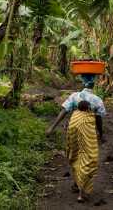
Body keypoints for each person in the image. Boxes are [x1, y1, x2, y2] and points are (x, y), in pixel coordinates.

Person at [45, 74, 106, 202]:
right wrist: (101, 134)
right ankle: (81, 192)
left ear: (82, 83)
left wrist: (52, 127)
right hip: (88, 130)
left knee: (75, 155)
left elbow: (64, 111)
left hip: (74, 125)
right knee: (88, 157)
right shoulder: (97, 100)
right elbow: (99, 119)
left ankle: (76, 182)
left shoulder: (74, 96)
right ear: (93, 85)